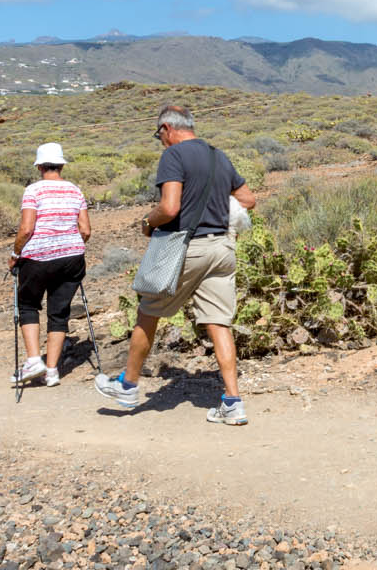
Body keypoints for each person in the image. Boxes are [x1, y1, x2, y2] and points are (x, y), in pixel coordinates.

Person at [95, 105, 258, 424]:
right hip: (222, 248)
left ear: (168, 128)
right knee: (218, 322)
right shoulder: (218, 156)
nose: (160, 140)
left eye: (159, 134)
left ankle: (127, 386)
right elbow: (249, 199)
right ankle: (233, 402)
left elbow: (169, 207)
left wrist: (147, 221)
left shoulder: (174, 156)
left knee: (149, 309)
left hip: (187, 248)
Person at [8, 142, 91, 388]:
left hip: (38, 258)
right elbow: (85, 230)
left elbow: (26, 228)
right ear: (61, 164)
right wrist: (70, 243)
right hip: (72, 257)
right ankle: (52, 371)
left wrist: (15, 253)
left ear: (40, 166)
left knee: (28, 305)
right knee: (59, 312)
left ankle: (34, 360)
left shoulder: (33, 191)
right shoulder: (75, 191)